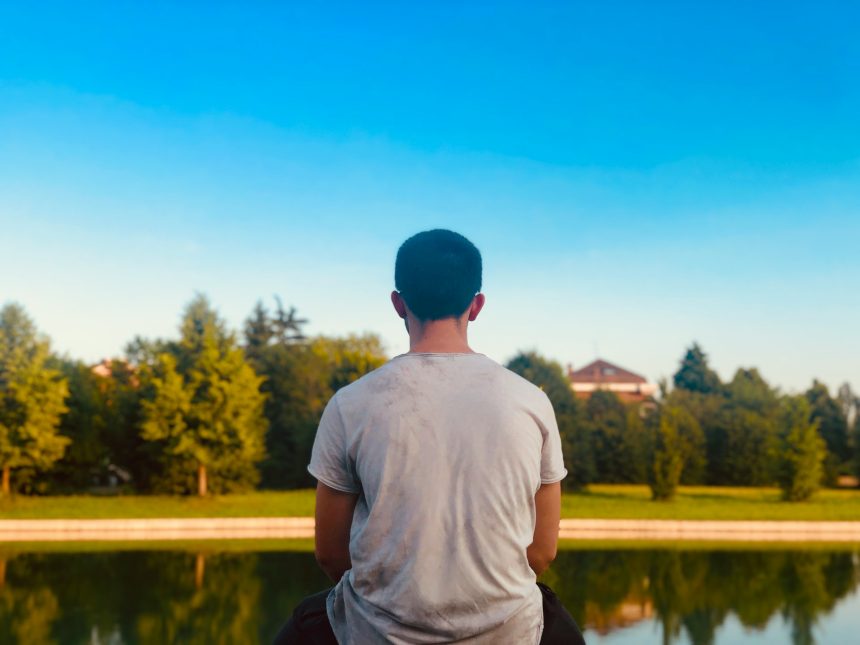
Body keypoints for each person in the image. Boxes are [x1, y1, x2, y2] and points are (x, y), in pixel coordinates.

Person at [274, 229, 585, 644]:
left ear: (398, 303)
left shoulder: (350, 404)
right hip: (512, 632)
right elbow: (542, 551)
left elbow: (330, 554)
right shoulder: (531, 403)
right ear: (476, 306)